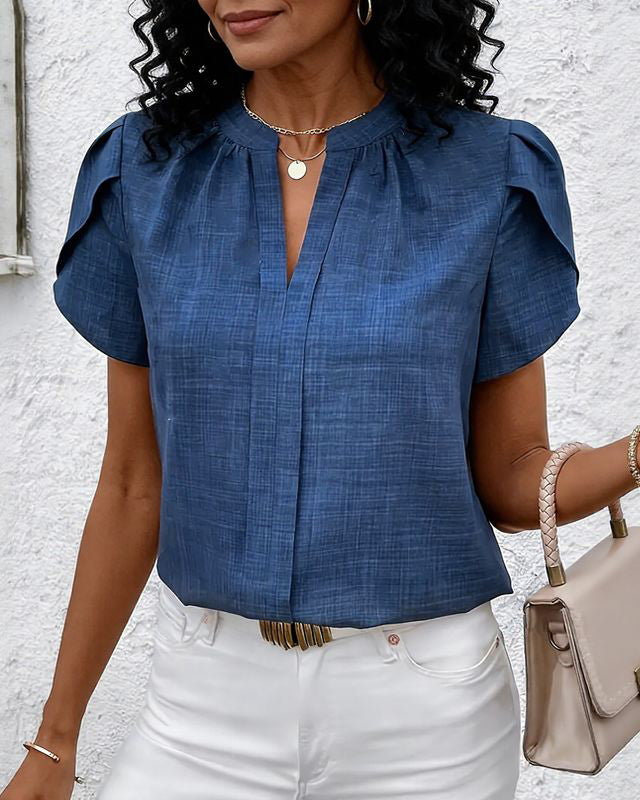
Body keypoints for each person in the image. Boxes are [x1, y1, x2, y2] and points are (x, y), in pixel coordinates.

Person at [4, 1, 640, 799]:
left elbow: (514, 480)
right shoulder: (148, 171)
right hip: (201, 706)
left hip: (427, 723)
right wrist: (56, 739)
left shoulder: (488, 173)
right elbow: (134, 482)